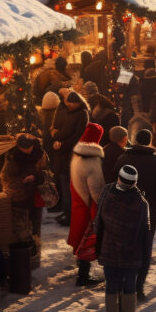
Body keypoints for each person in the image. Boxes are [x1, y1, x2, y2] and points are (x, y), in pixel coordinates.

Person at [113, 129, 156, 300]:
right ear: (149, 141)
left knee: (126, 250)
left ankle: (124, 285)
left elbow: (113, 183)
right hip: (148, 214)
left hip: (124, 213)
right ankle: (138, 288)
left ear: (135, 140)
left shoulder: (123, 159)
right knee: (144, 251)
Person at [96, 164, 150, 312]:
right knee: (129, 289)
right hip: (131, 255)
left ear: (118, 178)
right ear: (135, 183)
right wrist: (145, 261)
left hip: (109, 251)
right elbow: (145, 234)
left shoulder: (107, 192)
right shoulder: (141, 203)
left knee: (111, 288)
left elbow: (99, 221)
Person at [68, 124, 106, 287]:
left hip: (78, 202)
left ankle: (81, 268)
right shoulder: (91, 159)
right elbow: (97, 192)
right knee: (87, 240)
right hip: (88, 206)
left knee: (80, 237)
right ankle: (83, 276)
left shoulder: (77, 154)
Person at [51, 91, 90, 226]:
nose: (69, 105)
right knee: (65, 185)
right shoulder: (69, 112)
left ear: (78, 103)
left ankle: (70, 216)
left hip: (70, 155)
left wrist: (62, 143)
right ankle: (68, 213)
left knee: (69, 187)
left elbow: (77, 136)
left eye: (72, 103)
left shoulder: (81, 114)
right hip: (64, 155)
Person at [0, 134, 46, 243]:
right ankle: (26, 247)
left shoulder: (39, 153)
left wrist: (36, 177)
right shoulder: (13, 157)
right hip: (20, 196)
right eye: (24, 149)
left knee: (36, 222)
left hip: (36, 194)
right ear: (18, 147)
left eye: (29, 148)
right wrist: (22, 181)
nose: (27, 151)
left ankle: (35, 246)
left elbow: (46, 172)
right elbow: (5, 178)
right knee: (21, 228)